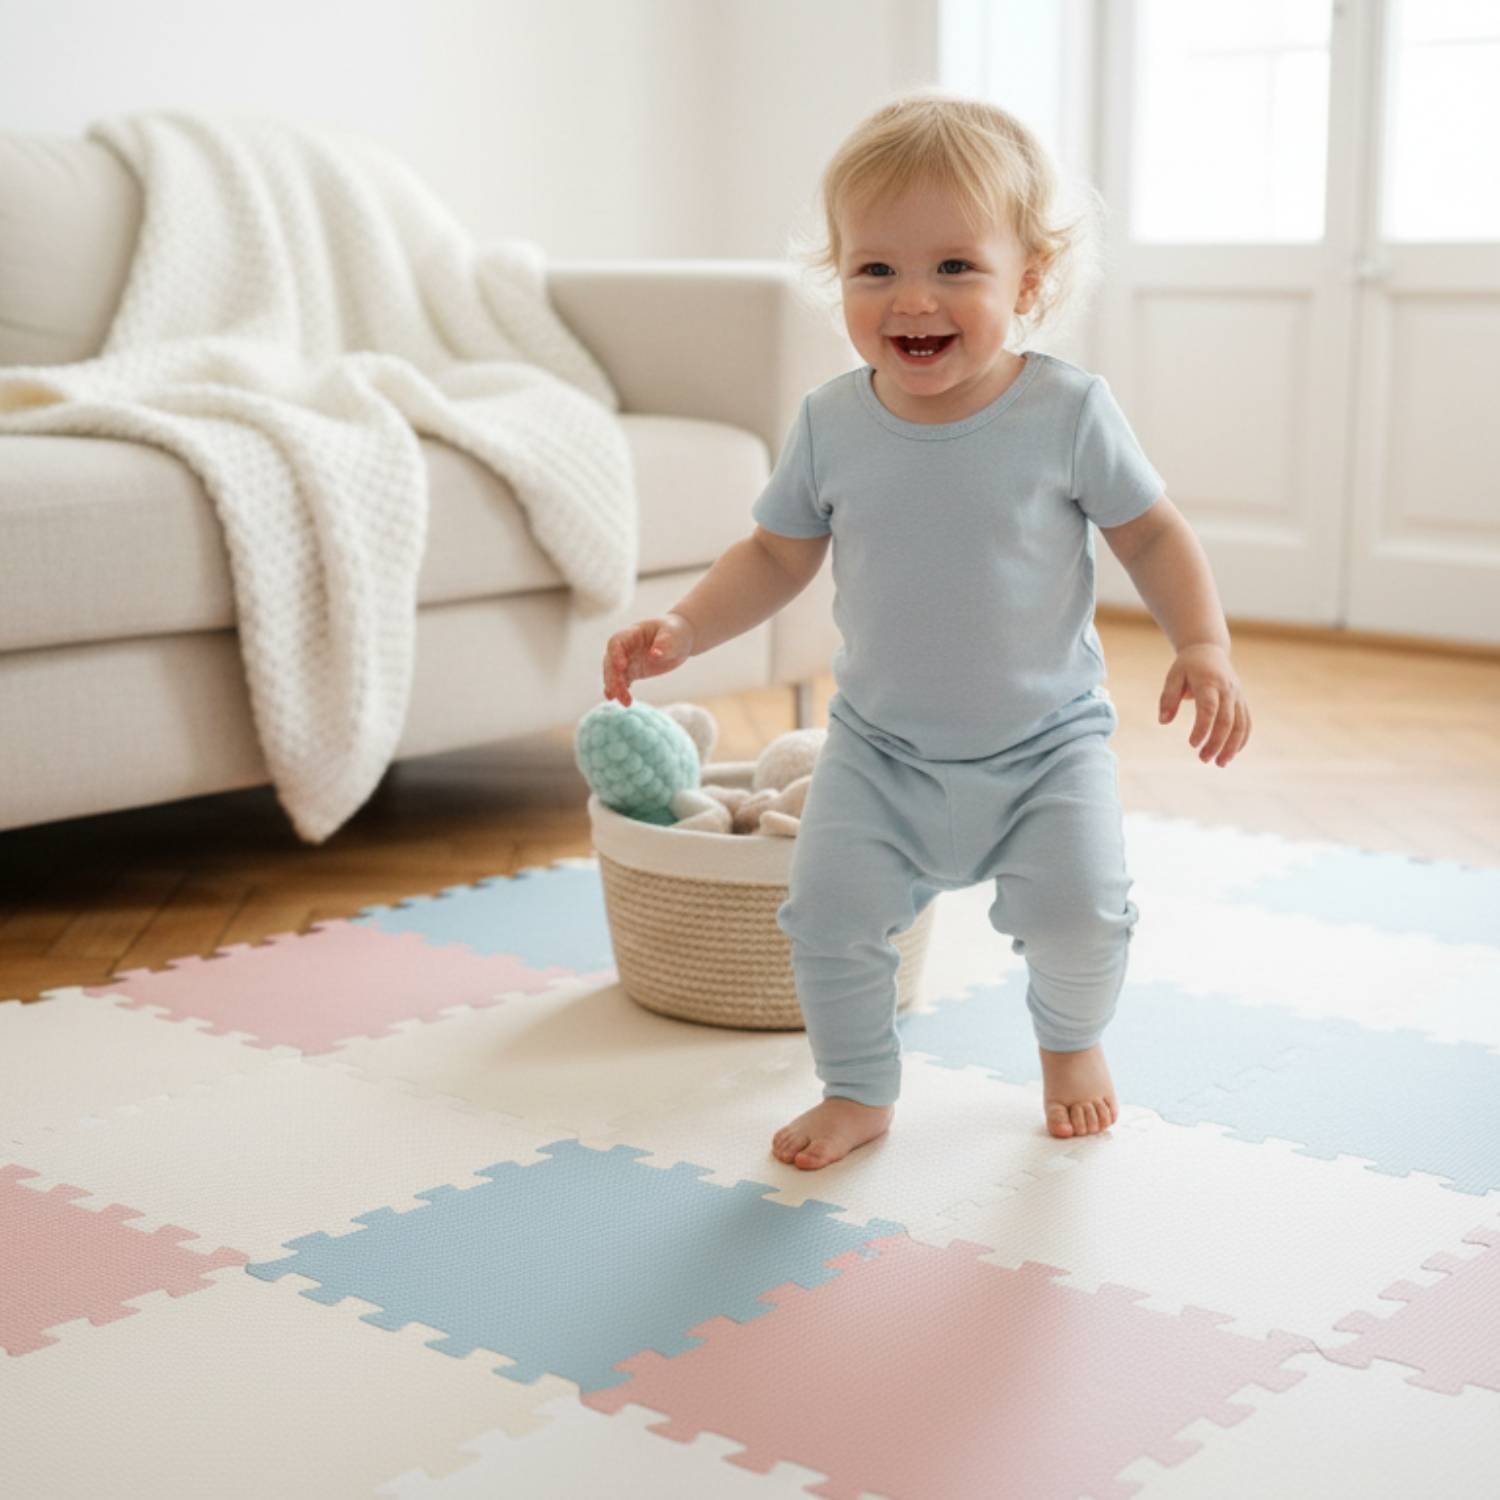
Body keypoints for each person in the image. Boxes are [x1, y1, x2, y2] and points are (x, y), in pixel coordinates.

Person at [600, 88, 1251, 1173]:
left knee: (1086, 915)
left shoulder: (1067, 412)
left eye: (956, 267)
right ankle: (858, 1089)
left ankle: (1072, 1042)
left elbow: (1151, 533)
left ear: (1028, 280)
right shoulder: (832, 423)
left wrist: (1205, 643)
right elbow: (773, 555)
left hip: (1047, 746)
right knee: (825, 916)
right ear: (841, 277)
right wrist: (683, 628)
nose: (914, 299)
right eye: (877, 269)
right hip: (883, 749)